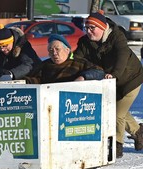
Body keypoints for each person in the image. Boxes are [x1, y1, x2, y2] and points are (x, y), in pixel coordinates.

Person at [73, 10, 143, 158]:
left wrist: (115, 75)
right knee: (118, 111)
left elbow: (122, 57)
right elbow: (76, 60)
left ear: (103, 27)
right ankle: (139, 133)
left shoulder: (117, 37)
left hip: (131, 79)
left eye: (93, 28)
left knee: (117, 114)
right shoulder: (85, 42)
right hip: (112, 82)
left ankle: (117, 146)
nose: (89, 31)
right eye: (87, 28)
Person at [24, 34, 105, 84]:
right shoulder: (44, 65)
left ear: (67, 50)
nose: (54, 53)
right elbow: (35, 79)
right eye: (51, 51)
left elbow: (99, 71)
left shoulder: (78, 62)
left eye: (57, 49)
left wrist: (83, 77)